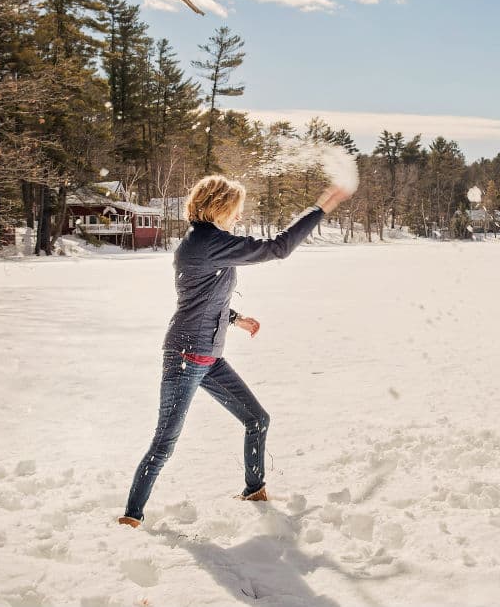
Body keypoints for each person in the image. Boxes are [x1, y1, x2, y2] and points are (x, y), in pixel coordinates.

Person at [118, 176, 351, 528]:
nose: (240, 217)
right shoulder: (207, 243)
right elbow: (278, 248)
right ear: (218, 207)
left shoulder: (207, 244)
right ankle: (130, 517)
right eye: (237, 210)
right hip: (186, 357)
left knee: (257, 419)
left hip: (208, 358)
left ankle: (254, 490)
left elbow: (202, 299)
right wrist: (320, 209)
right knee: (164, 442)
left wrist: (236, 318)